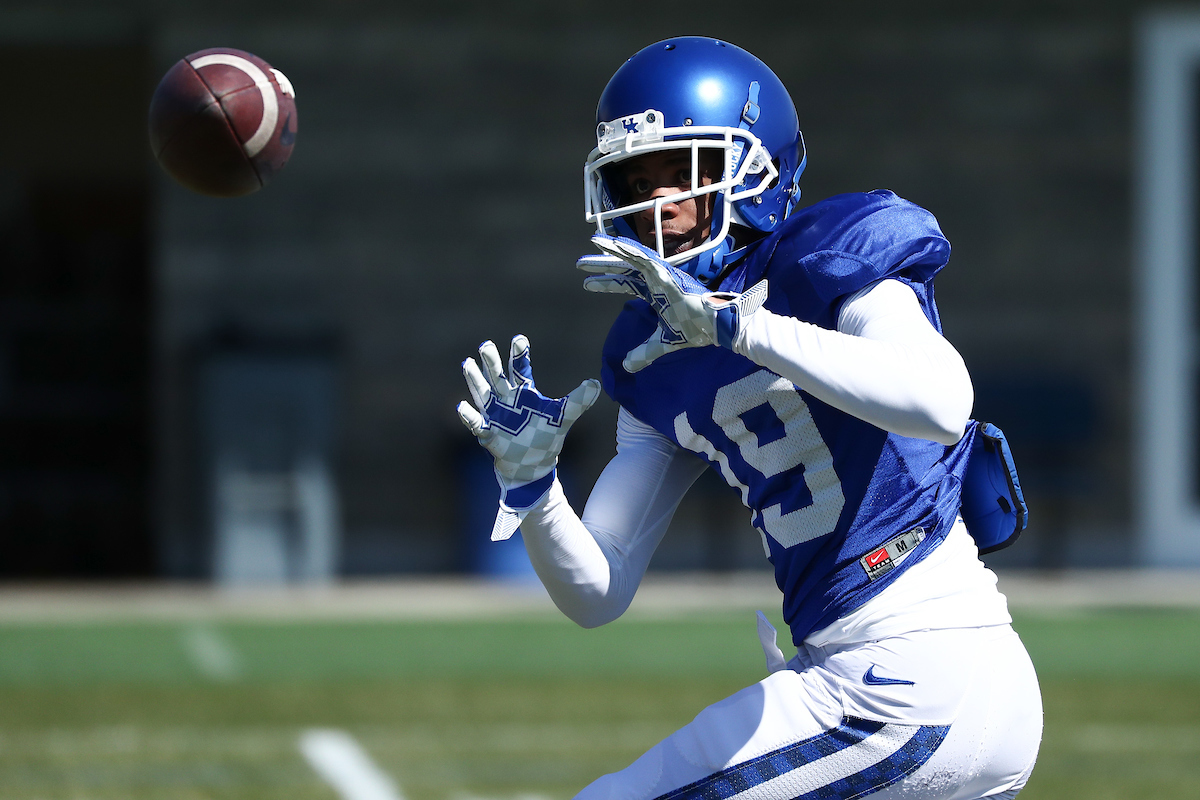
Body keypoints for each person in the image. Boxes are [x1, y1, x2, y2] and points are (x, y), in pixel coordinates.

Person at [456, 36, 1042, 800]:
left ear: (755, 171)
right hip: (864, 672)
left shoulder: (830, 254)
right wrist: (536, 489)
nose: (654, 206)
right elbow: (597, 589)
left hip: (917, 669)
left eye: (680, 174)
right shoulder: (648, 351)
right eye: (635, 180)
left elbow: (940, 401)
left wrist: (735, 326)